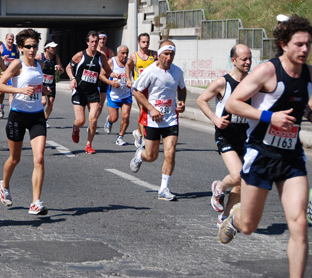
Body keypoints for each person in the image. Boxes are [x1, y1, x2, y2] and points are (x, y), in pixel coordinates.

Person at [219, 16, 311, 278]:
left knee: (299, 223)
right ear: (284, 44)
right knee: (248, 225)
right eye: (299, 44)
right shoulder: (267, 71)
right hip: (261, 154)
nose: (305, 49)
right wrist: (271, 117)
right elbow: (233, 103)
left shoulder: (308, 74)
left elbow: (305, 106)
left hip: (291, 157)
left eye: (309, 44)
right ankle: (234, 218)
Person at [196, 44, 251, 227]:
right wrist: (215, 119)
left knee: (241, 182)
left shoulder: (253, 83)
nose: (248, 62)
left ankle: (224, 217)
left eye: (250, 58)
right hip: (226, 134)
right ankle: (219, 187)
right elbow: (201, 100)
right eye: (244, 59)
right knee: (237, 175)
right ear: (233, 60)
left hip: (245, 136)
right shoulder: (223, 82)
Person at [0, 28, 49, 216]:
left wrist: (43, 92)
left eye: (35, 46)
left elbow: (36, 86)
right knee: (15, 158)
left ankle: (36, 202)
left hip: (36, 115)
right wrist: (20, 91)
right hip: (18, 115)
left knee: (39, 158)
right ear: (21, 47)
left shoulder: (39, 64)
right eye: (28, 47)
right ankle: (5, 185)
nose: (32, 50)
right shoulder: (17, 64)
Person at [129, 40, 186, 201]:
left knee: (170, 152)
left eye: (172, 54)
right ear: (159, 55)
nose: (169, 57)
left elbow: (182, 89)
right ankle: (140, 155)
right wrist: (151, 108)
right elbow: (136, 92)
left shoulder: (177, 72)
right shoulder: (150, 71)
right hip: (151, 119)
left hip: (170, 118)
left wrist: (181, 103)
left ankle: (164, 188)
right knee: (152, 155)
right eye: (166, 54)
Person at [65, 30, 113, 154]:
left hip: (93, 92)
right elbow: (68, 67)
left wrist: (115, 75)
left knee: (93, 119)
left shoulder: (101, 56)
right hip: (80, 91)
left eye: (96, 42)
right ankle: (75, 128)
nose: (94, 44)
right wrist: (72, 78)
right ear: (87, 42)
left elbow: (108, 71)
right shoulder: (80, 55)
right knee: (81, 121)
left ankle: (88, 145)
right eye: (92, 41)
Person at [126, 33, 158, 147]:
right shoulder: (134, 56)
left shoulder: (154, 55)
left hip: (151, 88)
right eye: (143, 42)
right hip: (139, 89)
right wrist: (128, 79)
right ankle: (144, 138)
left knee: (145, 111)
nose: (145, 44)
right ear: (138, 43)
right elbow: (127, 66)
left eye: (147, 42)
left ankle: (138, 132)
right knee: (143, 110)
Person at [103, 45, 132, 146]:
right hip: (114, 95)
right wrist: (111, 83)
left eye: (126, 53)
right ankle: (109, 121)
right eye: (122, 53)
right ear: (117, 53)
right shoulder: (112, 62)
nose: (125, 55)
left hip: (126, 94)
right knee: (114, 117)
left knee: (126, 116)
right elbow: (101, 75)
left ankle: (120, 137)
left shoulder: (130, 62)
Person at [0, 33, 19, 118]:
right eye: (9, 39)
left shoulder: (16, 48)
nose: (10, 41)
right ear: (5, 39)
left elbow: (18, 59)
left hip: (12, 74)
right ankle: (0, 106)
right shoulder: (1, 48)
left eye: (12, 39)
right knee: (1, 93)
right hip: (3, 73)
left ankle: (11, 112)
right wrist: (2, 59)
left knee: (11, 93)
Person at [95, 32, 115, 130]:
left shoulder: (110, 52)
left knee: (100, 104)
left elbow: (112, 67)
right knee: (94, 103)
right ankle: (92, 121)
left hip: (104, 79)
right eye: (100, 39)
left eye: (104, 39)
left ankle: (94, 122)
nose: (102, 41)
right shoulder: (93, 50)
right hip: (94, 79)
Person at [40, 40, 62, 126]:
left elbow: (61, 70)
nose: (54, 49)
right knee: (43, 102)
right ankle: (36, 117)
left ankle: (44, 120)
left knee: (51, 103)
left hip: (51, 83)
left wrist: (60, 69)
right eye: (52, 48)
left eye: (55, 48)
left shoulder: (56, 57)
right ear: (47, 49)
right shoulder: (40, 57)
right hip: (42, 83)